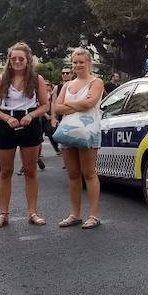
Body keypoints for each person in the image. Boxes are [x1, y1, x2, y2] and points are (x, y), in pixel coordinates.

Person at [0, 42, 50, 229]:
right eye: (13, 58)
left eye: (20, 58)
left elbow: (45, 105)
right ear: (9, 60)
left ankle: (32, 212)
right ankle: (3, 214)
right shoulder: (0, 80)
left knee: (30, 170)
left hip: (29, 123)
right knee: (5, 171)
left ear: (28, 60)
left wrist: (31, 115)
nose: (17, 61)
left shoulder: (36, 78)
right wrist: (6, 118)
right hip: (7, 123)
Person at [53, 48, 104, 229]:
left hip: (88, 132)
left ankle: (94, 215)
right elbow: (56, 109)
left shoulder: (96, 82)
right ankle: (74, 214)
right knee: (73, 174)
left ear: (88, 62)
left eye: (81, 62)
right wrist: (77, 106)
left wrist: (67, 105)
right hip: (67, 133)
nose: (78, 65)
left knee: (89, 173)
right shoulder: (67, 85)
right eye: (75, 62)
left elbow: (90, 103)